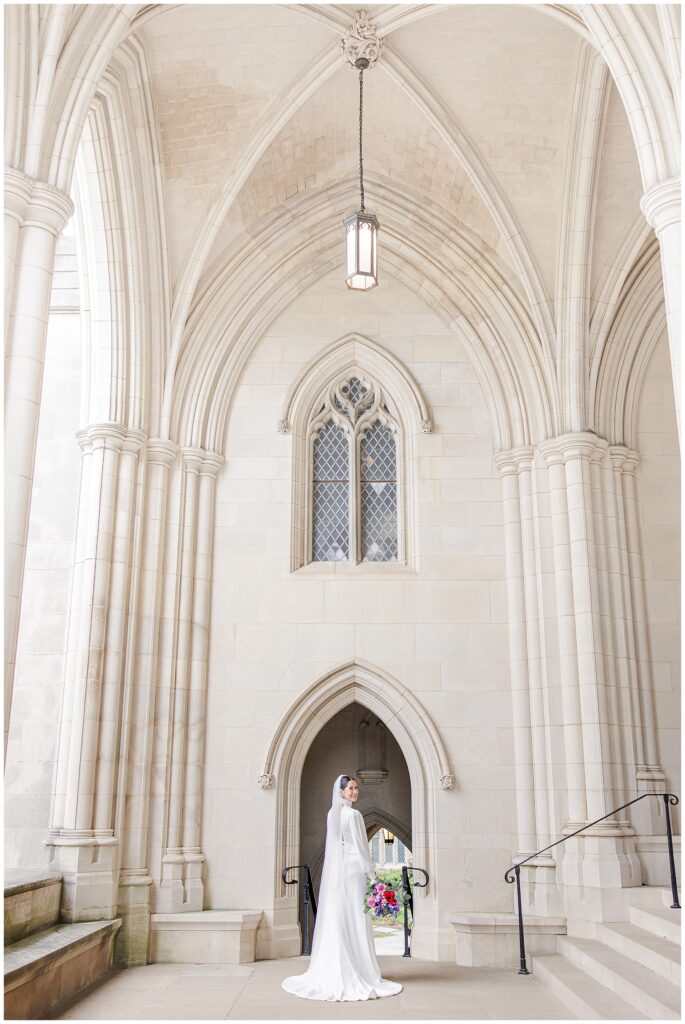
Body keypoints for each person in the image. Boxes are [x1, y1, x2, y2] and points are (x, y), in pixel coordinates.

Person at [281, 774, 403, 1002]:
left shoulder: (332, 814)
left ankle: (336, 966)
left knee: (340, 916)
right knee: (355, 917)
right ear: (341, 792)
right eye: (351, 789)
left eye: (356, 788)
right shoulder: (354, 815)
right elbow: (361, 846)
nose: (355, 792)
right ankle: (358, 969)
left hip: (340, 871)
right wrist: (373, 876)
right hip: (354, 869)